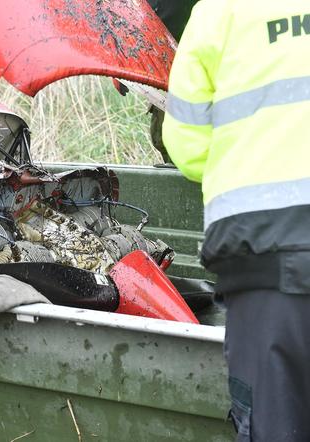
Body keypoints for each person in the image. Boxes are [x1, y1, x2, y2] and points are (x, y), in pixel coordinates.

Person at [163, 1, 310, 440]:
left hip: (263, 253)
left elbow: (187, 146)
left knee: (274, 423)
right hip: (265, 252)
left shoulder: (219, 13)